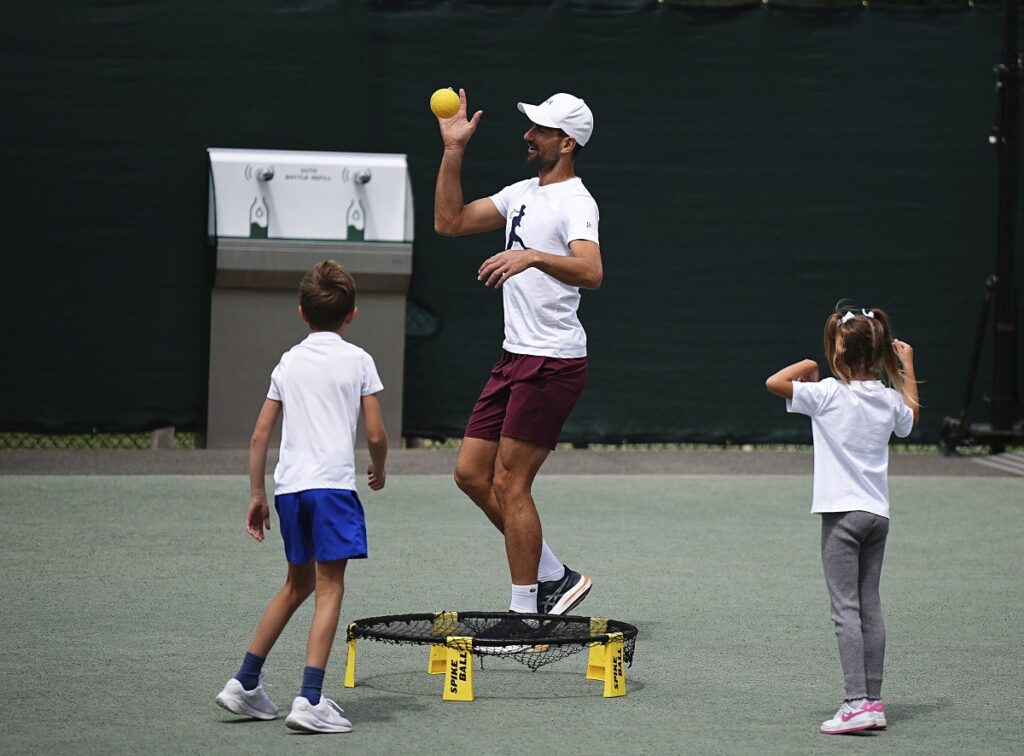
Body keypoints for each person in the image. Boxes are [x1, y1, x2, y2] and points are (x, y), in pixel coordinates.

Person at [433, 90, 602, 626]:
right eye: (531, 127)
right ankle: (555, 575)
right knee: (470, 474)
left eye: (541, 131)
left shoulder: (578, 201)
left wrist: (532, 255)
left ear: (567, 142)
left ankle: (526, 615)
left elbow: (591, 271)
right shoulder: (522, 192)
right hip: (514, 357)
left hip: (552, 361)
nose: (529, 136)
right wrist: (453, 150)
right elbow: (451, 221)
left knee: (511, 483)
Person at [214, 260, 387, 734]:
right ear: (351, 314)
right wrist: (381, 465)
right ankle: (310, 699)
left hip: (289, 490)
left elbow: (258, 437)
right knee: (329, 588)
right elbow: (375, 431)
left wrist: (257, 494)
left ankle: (244, 683)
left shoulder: (288, 361)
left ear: (301, 312)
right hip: (332, 489)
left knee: (298, 585)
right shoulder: (359, 360)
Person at [765, 305, 919, 735]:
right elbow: (911, 420)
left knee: (845, 611)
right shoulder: (889, 398)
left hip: (842, 518)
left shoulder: (827, 392)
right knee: (869, 607)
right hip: (877, 516)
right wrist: (906, 367)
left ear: (840, 354)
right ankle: (873, 701)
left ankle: (855, 703)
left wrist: (810, 365)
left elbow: (775, 382)